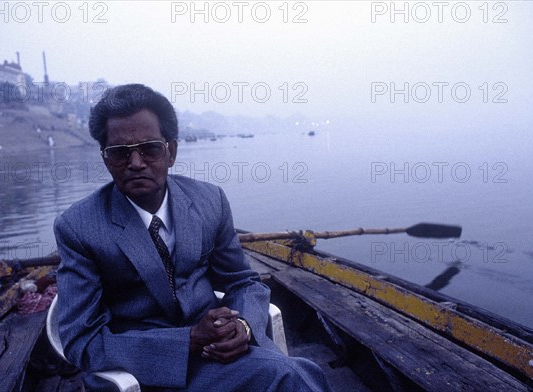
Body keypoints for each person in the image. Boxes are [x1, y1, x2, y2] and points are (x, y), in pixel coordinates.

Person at [54, 84, 331, 391]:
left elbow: (243, 282)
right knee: (290, 376)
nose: (135, 163)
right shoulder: (79, 227)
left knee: (298, 373)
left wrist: (242, 326)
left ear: (171, 151)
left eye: (150, 149)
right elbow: (81, 340)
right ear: (106, 159)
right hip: (147, 371)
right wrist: (185, 342)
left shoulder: (209, 201)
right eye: (120, 153)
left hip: (224, 353)